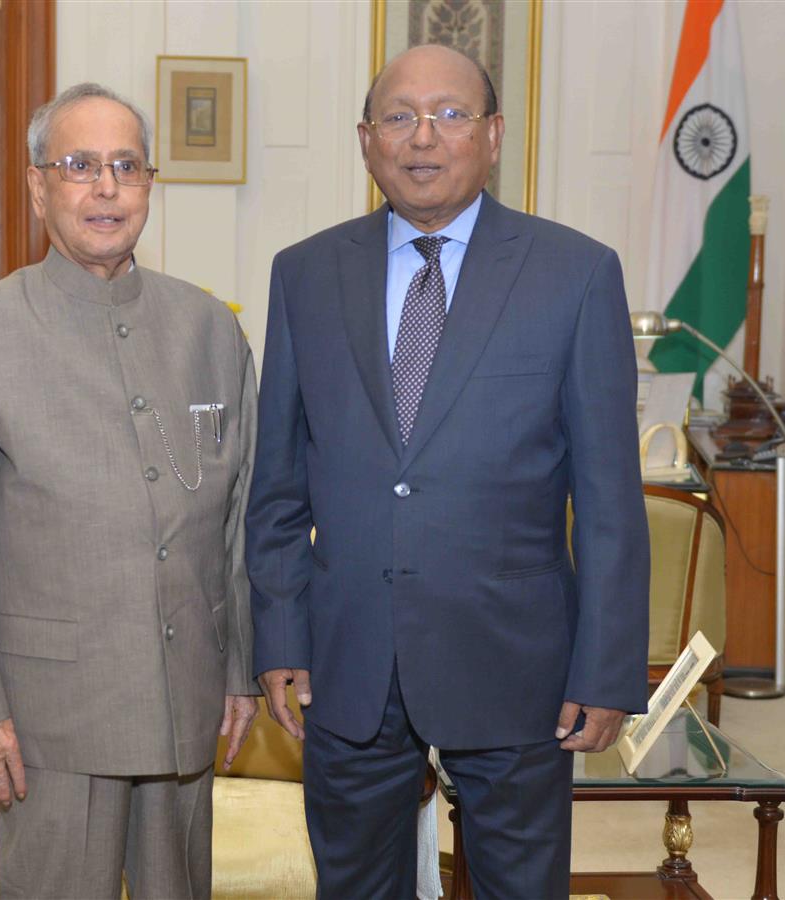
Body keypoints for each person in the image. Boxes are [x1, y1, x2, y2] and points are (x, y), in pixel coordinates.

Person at [246, 44, 649, 898]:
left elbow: (610, 501)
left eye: (451, 114)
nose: (422, 137)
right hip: (349, 662)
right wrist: (281, 636)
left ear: (494, 135)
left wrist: (607, 670)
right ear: (366, 140)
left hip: (517, 663)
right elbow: (278, 485)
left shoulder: (576, 275)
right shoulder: (305, 275)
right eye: (398, 116)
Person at [0, 82, 258, 900]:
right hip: (51, 713)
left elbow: (236, 519)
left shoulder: (211, 328)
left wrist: (239, 666)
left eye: (125, 167)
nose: (105, 188)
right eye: (79, 165)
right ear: (38, 186)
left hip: (186, 695)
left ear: (148, 185)